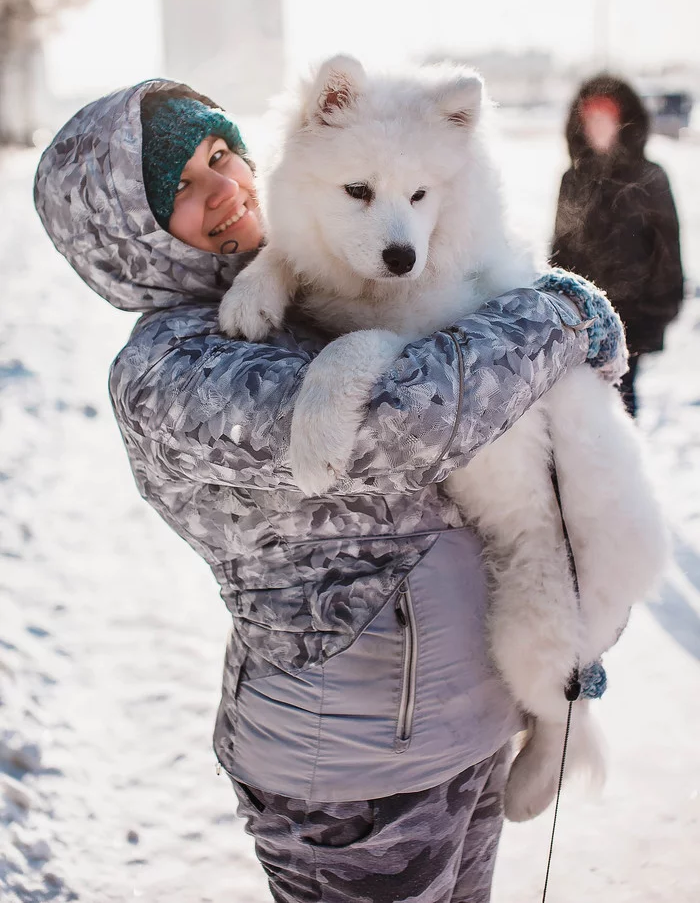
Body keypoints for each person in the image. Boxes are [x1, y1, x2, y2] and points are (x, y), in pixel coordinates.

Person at [34, 78, 627, 903]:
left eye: (219, 155)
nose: (223, 187)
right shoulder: (167, 368)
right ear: (123, 231)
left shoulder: (318, 285)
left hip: (463, 730)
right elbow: (407, 421)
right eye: (178, 187)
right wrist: (561, 318)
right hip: (350, 777)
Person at [551, 73, 684, 417]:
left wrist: (654, 319)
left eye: (605, 119)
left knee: (622, 407)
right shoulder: (573, 179)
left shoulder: (651, 178)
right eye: (590, 119)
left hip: (633, 322)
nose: (597, 128)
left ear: (624, 122)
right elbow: (560, 252)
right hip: (581, 324)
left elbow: (668, 255)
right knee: (580, 412)